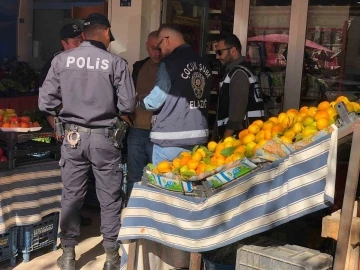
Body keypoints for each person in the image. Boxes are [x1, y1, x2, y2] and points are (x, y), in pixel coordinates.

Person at [39, 13, 135, 270]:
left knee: (71, 195)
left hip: (72, 138)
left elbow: (45, 102)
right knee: (109, 198)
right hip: (105, 139)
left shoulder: (62, 60)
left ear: (83, 34)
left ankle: (68, 256)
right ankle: (112, 257)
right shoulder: (116, 63)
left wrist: (69, 106)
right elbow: (127, 104)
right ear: (106, 32)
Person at [38, 23, 92, 227]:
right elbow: (46, 102)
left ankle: (77, 214)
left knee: (82, 176)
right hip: (65, 126)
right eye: (75, 42)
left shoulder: (88, 62)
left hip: (85, 128)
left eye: (81, 41)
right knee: (70, 179)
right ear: (64, 43)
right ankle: (68, 220)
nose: (79, 45)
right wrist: (56, 127)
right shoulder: (55, 63)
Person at [139, 24, 211, 166]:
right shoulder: (203, 62)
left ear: (166, 40)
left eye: (159, 47)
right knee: (189, 183)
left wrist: (140, 100)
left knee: (165, 185)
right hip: (198, 140)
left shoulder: (169, 63)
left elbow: (155, 101)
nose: (160, 53)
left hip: (169, 140)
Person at [126, 31, 160, 197]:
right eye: (153, 48)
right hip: (137, 129)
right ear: (147, 46)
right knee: (134, 176)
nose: (157, 52)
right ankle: (130, 215)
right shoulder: (139, 67)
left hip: (160, 131)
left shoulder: (171, 68)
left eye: (159, 48)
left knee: (158, 178)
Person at [215, 33, 265, 139]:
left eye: (220, 52)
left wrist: (225, 140)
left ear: (233, 50)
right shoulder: (244, 70)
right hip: (249, 136)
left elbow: (236, 115)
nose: (217, 56)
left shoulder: (238, 74)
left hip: (239, 138)